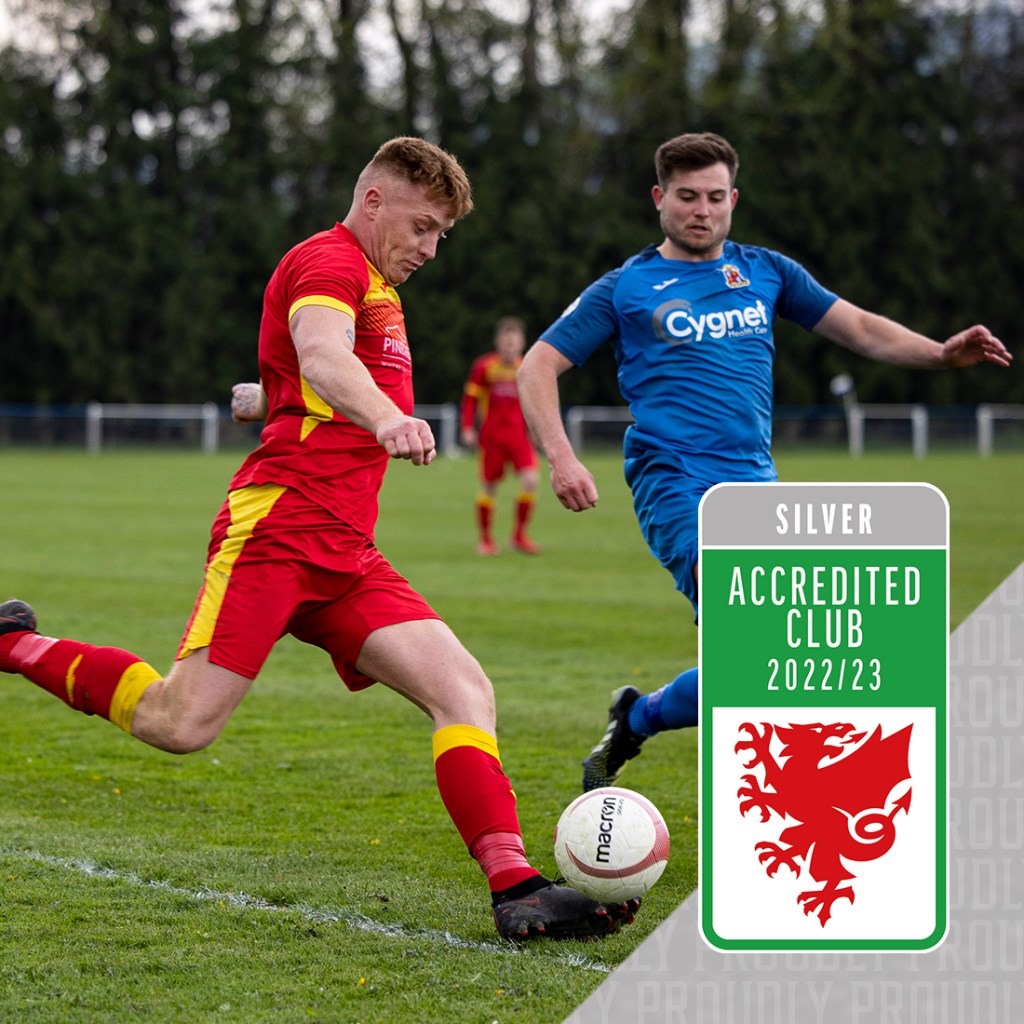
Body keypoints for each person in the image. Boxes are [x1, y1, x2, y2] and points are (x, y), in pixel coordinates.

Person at [0, 136, 639, 941]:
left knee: (464, 691)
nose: (431, 248)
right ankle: (13, 645)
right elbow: (323, 354)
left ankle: (516, 888)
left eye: (442, 234)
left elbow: (310, 373)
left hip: (346, 552)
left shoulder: (377, 286)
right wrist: (387, 418)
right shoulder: (330, 262)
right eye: (423, 226)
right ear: (373, 201)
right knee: (179, 723)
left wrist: (270, 394)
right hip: (280, 530)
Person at [516, 131, 1012, 792]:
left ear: (734, 199)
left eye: (715, 196)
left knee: (779, 657)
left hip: (758, 487)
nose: (702, 210)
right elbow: (537, 366)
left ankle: (637, 717)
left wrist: (940, 353)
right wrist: (562, 458)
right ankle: (792, 788)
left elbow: (860, 327)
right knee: (754, 633)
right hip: (677, 483)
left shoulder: (766, 272)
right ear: (659, 198)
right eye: (687, 196)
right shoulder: (626, 287)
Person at [460, 316, 541, 555]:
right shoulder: (485, 367)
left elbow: (534, 402)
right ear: (498, 342)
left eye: (514, 342)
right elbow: (471, 399)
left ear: (522, 343)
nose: (510, 347)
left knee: (531, 480)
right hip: (492, 437)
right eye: (506, 342)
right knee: (489, 487)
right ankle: (485, 540)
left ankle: (519, 536)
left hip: (519, 437)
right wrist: (467, 427)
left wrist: (537, 430)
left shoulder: (526, 367)